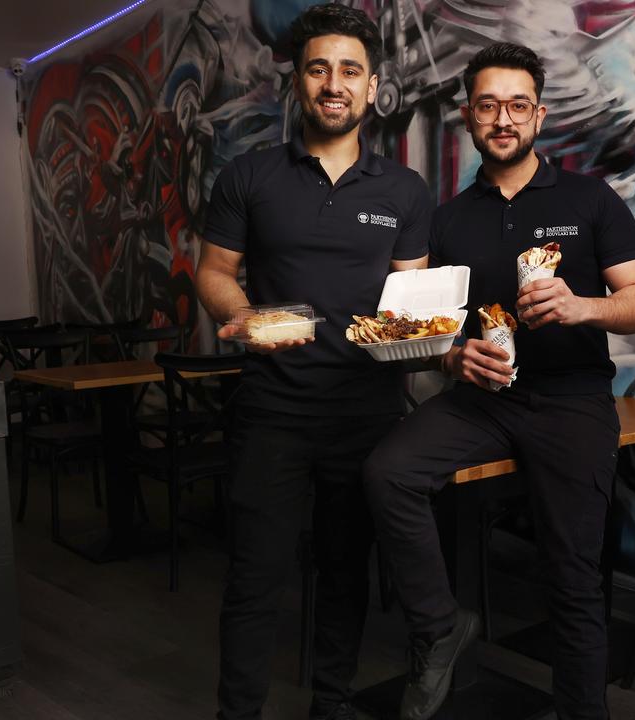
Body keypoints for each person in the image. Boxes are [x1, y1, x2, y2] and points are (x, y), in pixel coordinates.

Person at [363, 42, 635, 720]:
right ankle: (441, 626)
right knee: (387, 472)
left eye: (518, 105)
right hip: (483, 401)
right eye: (489, 105)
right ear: (469, 115)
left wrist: (581, 305)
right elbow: (405, 332)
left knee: (572, 579)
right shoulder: (448, 219)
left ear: (539, 115)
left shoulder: (590, 198)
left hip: (572, 402)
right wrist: (450, 356)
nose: (504, 118)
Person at [195, 5, 431, 719]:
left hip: (366, 412)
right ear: (295, 82)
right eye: (319, 69)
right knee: (254, 577)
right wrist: (247, 320)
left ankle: (332, 705)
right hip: (272, 410)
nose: (335, 84)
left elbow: (410, 299)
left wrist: (419, 333)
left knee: (342, 573)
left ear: (372, 87)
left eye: (350, 71)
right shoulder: (248, 176)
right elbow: (213, 270)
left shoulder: (405, 191)